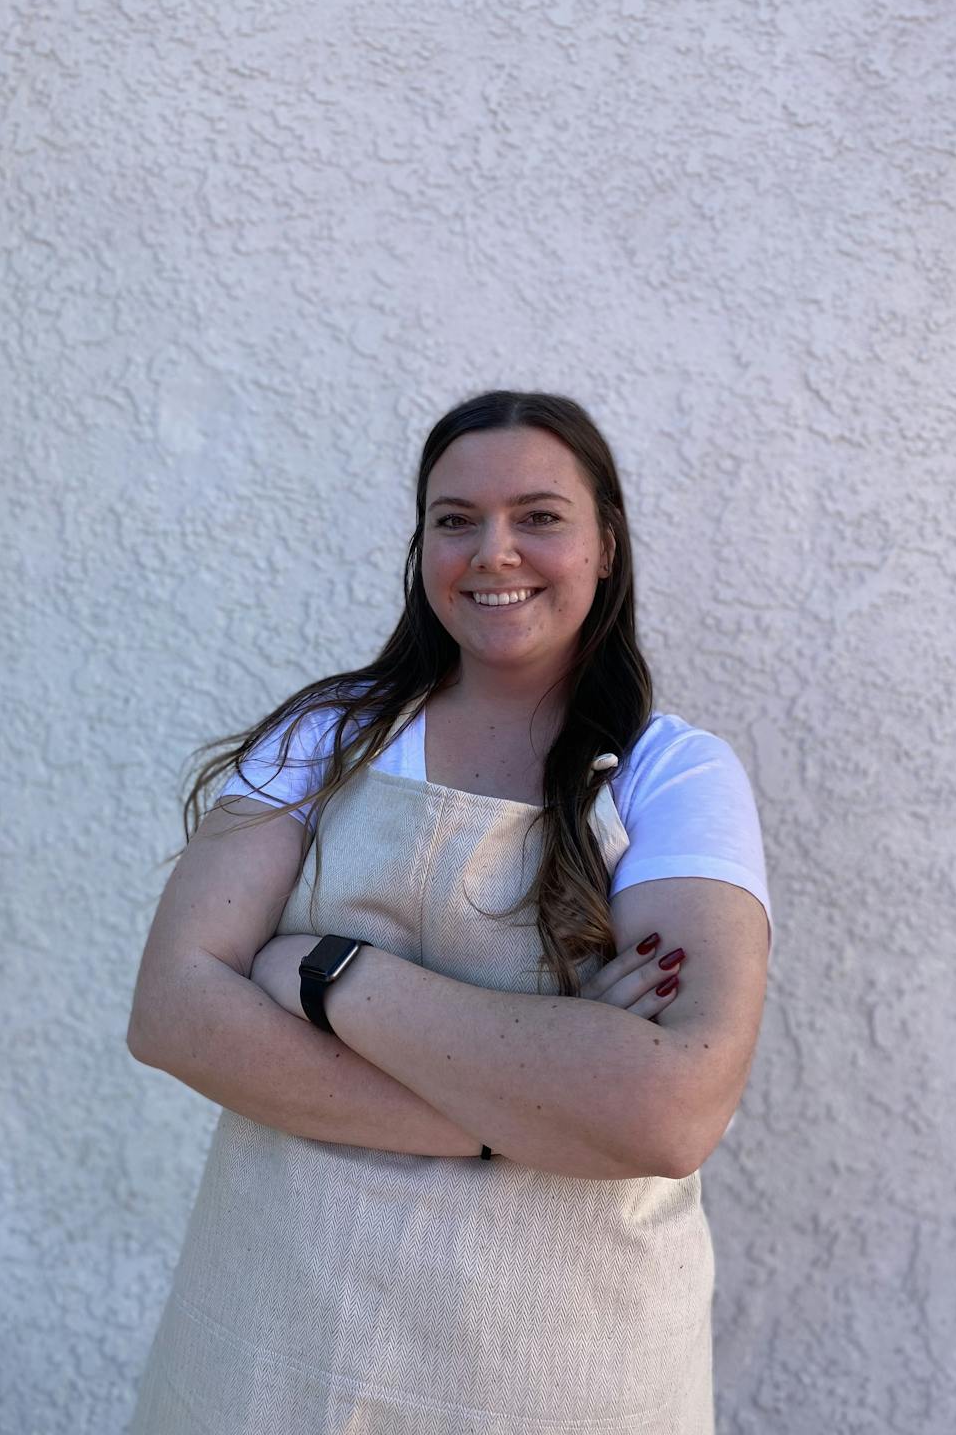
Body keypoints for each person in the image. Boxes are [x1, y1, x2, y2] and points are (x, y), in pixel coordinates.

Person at [125, 389, 772, 1434]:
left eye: (539, 516)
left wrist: (327, 976)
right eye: (455, 518)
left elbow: (670, 1107)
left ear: (607, 544)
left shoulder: (674, 776)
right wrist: (527, 1106)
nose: (493, 551)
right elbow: (171, 1008)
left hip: (564, 1365)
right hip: (278, 1335)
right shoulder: (320, 738)